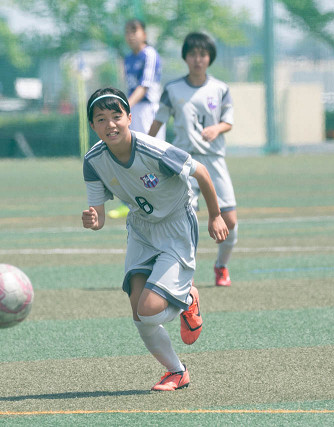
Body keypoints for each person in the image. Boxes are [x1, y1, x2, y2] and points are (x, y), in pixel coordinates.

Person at [82, 87, 229, 391]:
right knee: (138, 311)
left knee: (149, 309)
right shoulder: (93, 160)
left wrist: (215, 216)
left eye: (116, 116)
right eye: (101, 119)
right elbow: (99, 214)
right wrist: (94, 220)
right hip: (141, 229)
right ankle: (177, 371)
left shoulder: (152, 149)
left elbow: (201, 172)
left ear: (129, 118)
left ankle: (187, 299)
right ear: (93, 126)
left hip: (176, 225)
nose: (110, 124)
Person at [149, 32, 239, 287]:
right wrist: (145, 149)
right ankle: (181, 273)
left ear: (210, 57)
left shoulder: (220, 89)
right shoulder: (172, 89)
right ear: (185, 57)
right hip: (183, 162)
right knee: (183, 220)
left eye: (202, 54)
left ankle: (221, 265)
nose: (198, 59)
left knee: (230, 220)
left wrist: (217, 129)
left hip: (214, 159)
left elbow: (228, 121)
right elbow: (158, 121)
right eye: (192, 54)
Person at [107, 18, 165, 220]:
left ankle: (159, 198)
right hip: (133, 109)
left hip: (148, 109)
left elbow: (144, 86)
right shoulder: (128, 58)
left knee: (152, 155)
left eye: (134, 30)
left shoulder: (149, 54)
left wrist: (124, 106)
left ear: (144, 34)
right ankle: (131, 201)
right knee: (130, 154)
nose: (130, 35)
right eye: (127, 31)